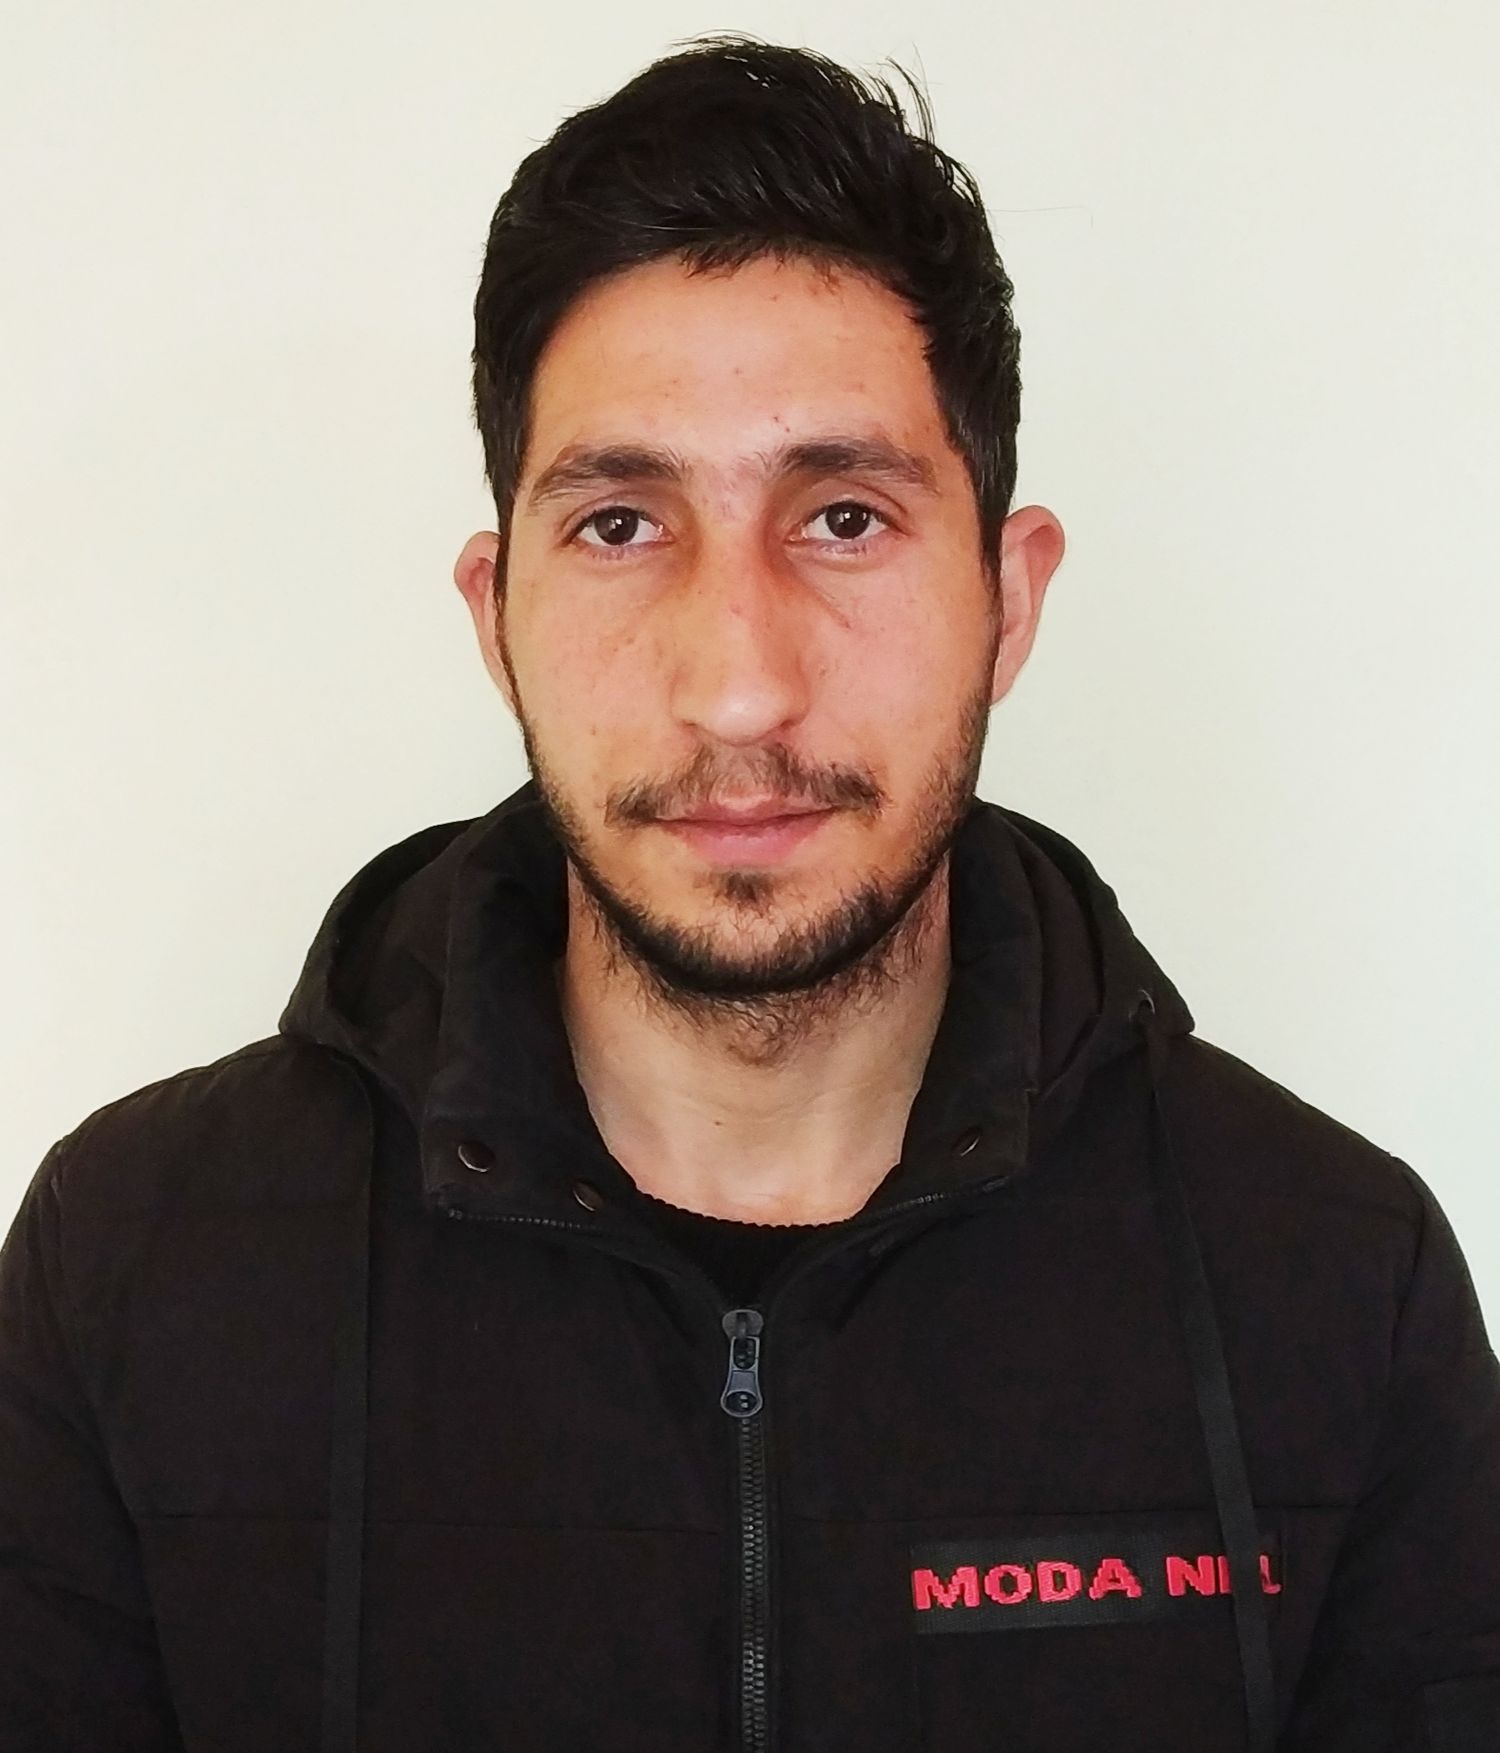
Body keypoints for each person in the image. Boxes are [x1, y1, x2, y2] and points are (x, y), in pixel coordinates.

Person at [2, 32, 1496, 1753]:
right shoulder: (133, 1273)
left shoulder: (1335, 1288)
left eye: (844, 516)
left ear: (1009, 599)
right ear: (498, 616)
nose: (737, 688)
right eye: (621, 525)